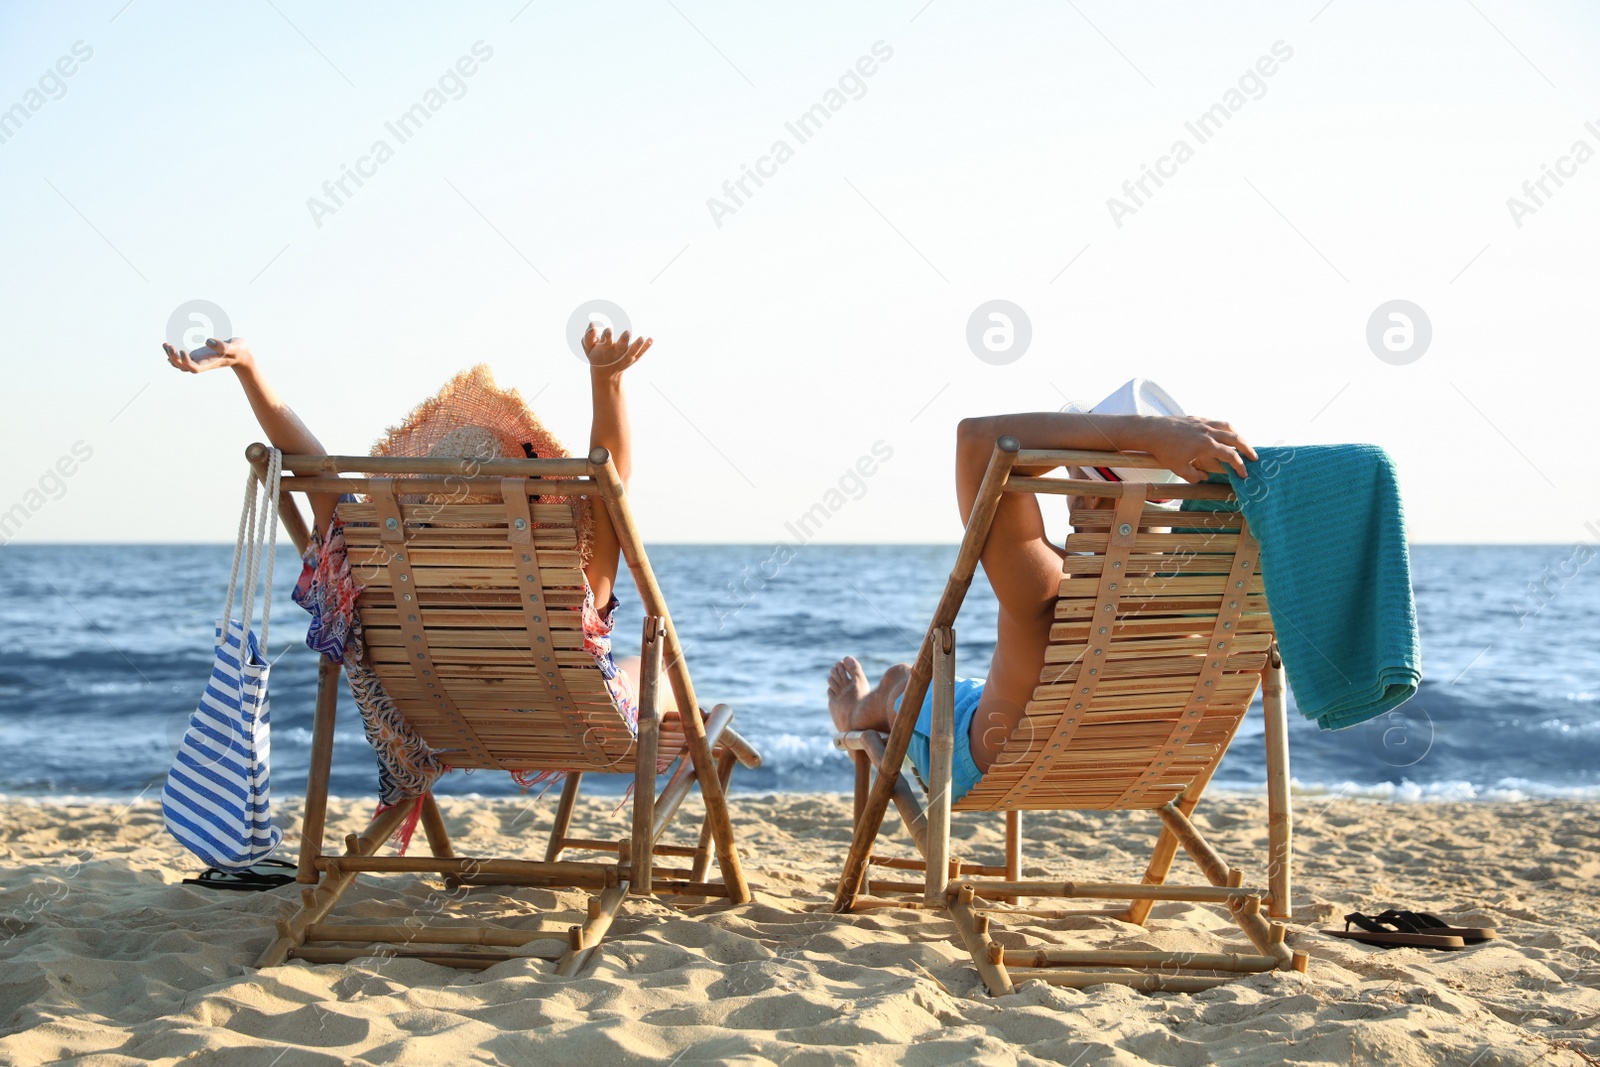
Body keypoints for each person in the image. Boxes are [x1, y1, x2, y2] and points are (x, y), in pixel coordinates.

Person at [164, 326, 659, 807]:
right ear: (531, 496)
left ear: (419, 492)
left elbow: (312, 463)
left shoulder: (366, 563)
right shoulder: (570, 580)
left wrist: (248, 368)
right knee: (658, 668)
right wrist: (607, 381)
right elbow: (611, 477)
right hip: (574, 724)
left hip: (431, 728)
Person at [826, 410, 1258, 804]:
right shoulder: (1217, 591)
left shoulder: (1048, 586)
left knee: (902, 680)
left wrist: (1147, 432)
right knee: (970, 685)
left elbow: (977, 441)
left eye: (1072, 469)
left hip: (994, 765)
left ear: (1086, 499)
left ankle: (854, 709)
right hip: (1139, 773)